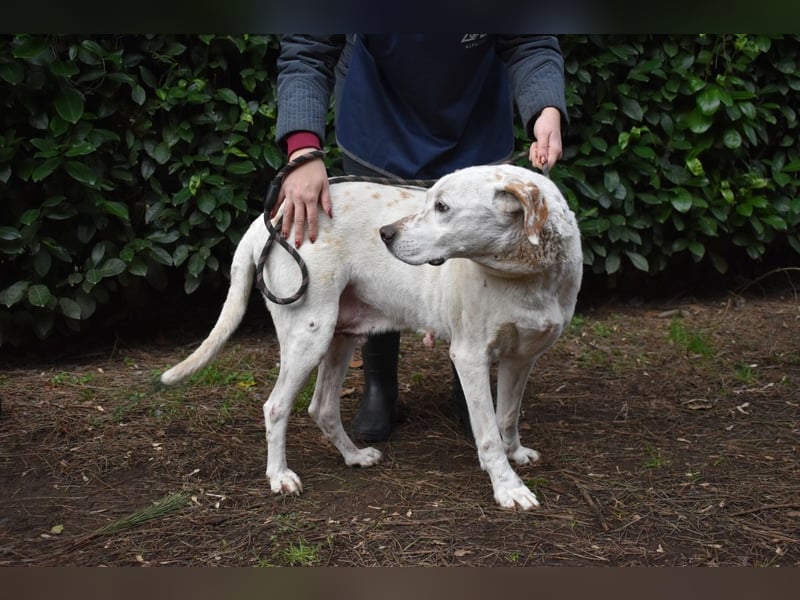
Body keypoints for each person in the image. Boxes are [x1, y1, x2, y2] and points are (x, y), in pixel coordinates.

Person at [274, 34, 568, 442]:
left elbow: (530, 40)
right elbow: (307, 49)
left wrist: (545, 108)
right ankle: (380, 388)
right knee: (384, 252)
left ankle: (467, 387)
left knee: (470, 243)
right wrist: (302, 149)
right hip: (376, 124)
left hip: (475, 128)